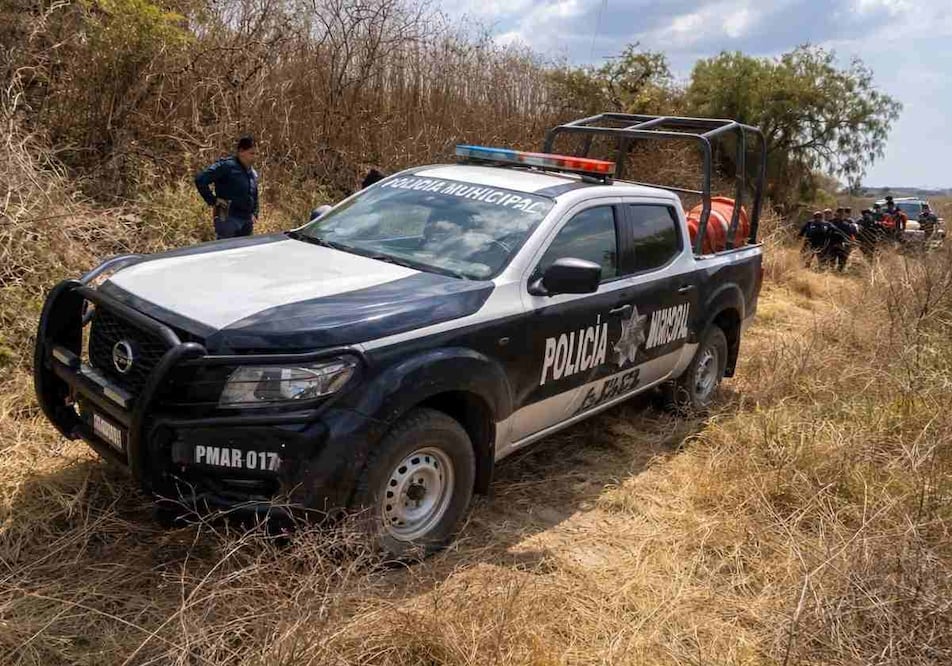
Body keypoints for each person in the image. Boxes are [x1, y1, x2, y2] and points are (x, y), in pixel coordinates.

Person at [195, 135, 259, 239]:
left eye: (256, 154)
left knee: (245, 254)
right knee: (225, 252)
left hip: (246, 221)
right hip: (228, 218)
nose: (254, 157)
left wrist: (255, 213)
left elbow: (254, 193)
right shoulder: (226, 166)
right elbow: (201, 179)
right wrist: (213, 200)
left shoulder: (252, 172)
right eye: (251, 153)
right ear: (241, 152)